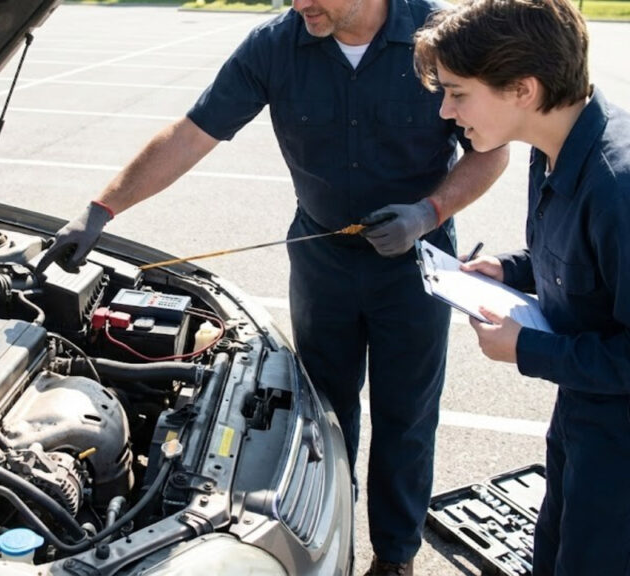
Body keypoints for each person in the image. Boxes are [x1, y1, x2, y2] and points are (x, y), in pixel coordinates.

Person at [37, 0, 509, 573]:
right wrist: (102, 208)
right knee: (323, 420)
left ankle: (395, 558)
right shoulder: (275, 47)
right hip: (322, 264)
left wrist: (428, 213)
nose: (299, 4)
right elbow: (191, 135)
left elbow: (491, 152)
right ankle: (336, 541)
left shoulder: (439, 37)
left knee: (406, 418)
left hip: (414, 266)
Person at [413, 0, 630, 573]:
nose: (445, 111)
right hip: (585, 410)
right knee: (554, 552)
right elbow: (580, 257)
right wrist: (510, 269)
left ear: (522, 90)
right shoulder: (556, 145)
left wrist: (525, 348)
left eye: (458, 93)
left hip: (621, 441)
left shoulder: (619, 189)